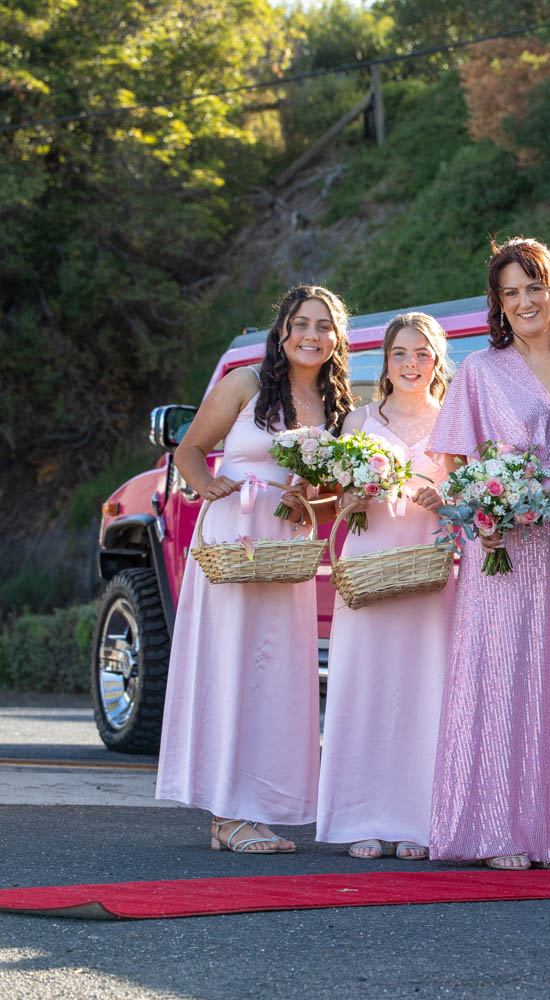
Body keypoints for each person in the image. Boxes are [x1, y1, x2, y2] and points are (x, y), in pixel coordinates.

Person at [155, 285, 353, 853]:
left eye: (324, 327)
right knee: (229, 668)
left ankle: (259, 806)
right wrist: (205, 485)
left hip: (286, 549)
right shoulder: (245, 383)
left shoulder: (335, 409)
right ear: (283, 329)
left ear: (337, 338)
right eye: (301, 324)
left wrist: (308, 499)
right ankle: (226, 812)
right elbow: (189, 450)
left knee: (276, 676)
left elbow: (326, 497)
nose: (312, 336)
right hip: (232, 539)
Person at [428, 238, 550, 869]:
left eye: (534, 286)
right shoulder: (479, 369)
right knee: (501, 678)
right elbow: (451, 462)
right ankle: (500, 830)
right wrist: (479, 514)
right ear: (498, 304)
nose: (525, 301)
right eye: (511, 292)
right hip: (501, 549)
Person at [316, 312, 456, 862]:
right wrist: (350, 499)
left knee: (426, 690)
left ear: (438, 360)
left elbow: (466, 501)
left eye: (422, 353)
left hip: (429, 570)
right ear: (386, 361)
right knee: (366, 686)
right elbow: (339, 498)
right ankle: (361, 818)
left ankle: (419, 820)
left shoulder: (454, 421)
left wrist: (443, 503)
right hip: (371, 561)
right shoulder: (357, 422)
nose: (411, 363)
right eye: (401, 353)